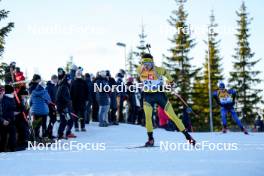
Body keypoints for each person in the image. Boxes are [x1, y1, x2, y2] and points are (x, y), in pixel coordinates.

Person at [136, 53, 196, 147]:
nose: (146, 67)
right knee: (148, 116)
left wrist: (171, 82)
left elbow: (168, 75)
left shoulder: (159, 70)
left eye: (148, 65)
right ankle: (150, 139)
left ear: (152, 63)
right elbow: (139, 77)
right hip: (148, 96)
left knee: (173, 116)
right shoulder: (139, 69)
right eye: (144, 65)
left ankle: (188, 137)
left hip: (160, 95)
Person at [56, 71, 76, 139]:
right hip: (64, 108)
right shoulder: (64, 87)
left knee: (66, 121)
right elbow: (64, 98)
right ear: (67, 80)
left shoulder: (64, 86)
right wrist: (67, 105)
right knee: (68, 120)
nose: (70, 81)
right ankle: (62, 134)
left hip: (64, 107)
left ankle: (65, 133)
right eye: (70, 80)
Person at [0, 85, 17, 152]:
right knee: (3, 136)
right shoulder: (3, 100)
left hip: (8, 119)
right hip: (3, 120)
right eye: (1, 93)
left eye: (3, 92)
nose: (2, 94)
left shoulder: (4, 99)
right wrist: (2, 120)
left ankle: (11, 148)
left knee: (11, 133)